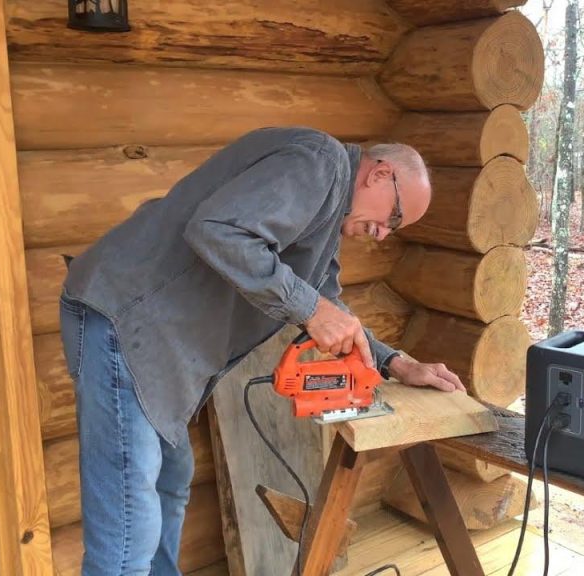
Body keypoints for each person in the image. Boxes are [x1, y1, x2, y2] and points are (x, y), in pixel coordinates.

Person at [58, 127, 466, 575]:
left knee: (170, 484)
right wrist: (311, 310)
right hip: (126, 318)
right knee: (127, 531)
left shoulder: (329, 208)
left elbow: (325, 299)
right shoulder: (320, 163)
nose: (384, 234)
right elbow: (218, 231)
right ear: (380, 175)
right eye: (394, 217)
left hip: (156, 343)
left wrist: (396, 363)